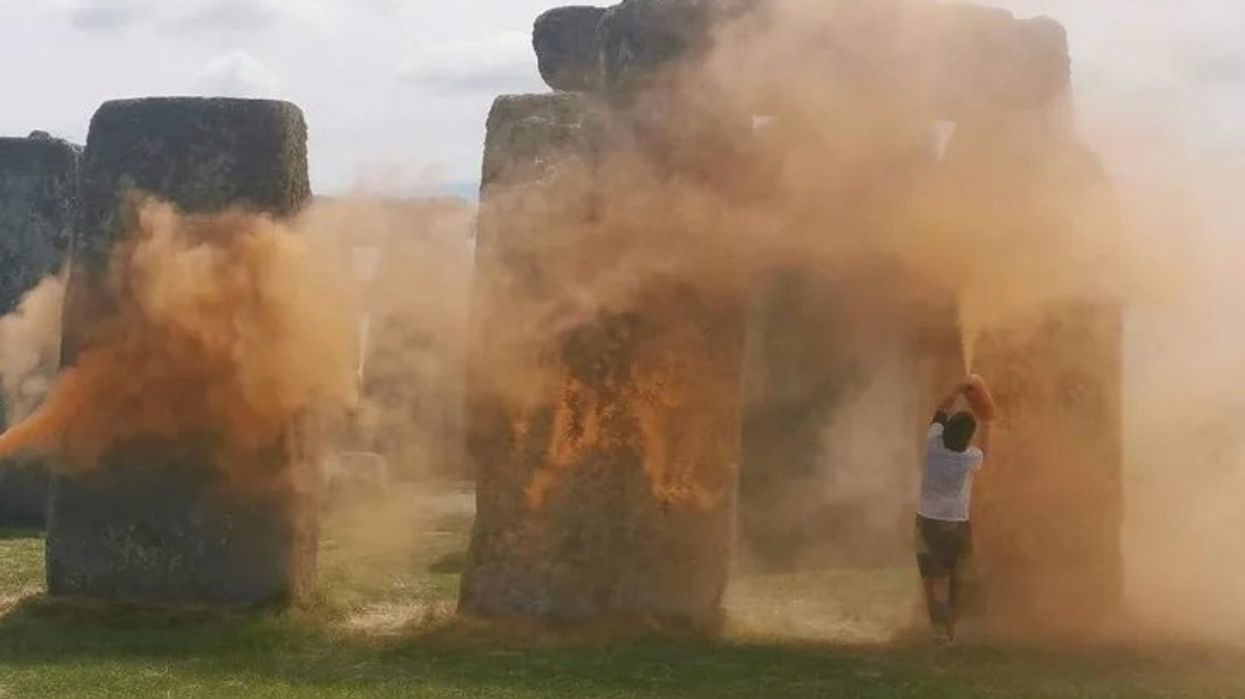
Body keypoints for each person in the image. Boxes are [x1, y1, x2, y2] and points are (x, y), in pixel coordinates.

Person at [917, 374, 994, 646]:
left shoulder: (933, 445)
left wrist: (959, 388)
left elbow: (942, 408)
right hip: (957, 525)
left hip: (927, 523)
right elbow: (986, 447)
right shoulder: (969, 458)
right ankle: (951, 628)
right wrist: (986, 415)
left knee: (933, 579)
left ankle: (939, 630)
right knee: (957, 578)